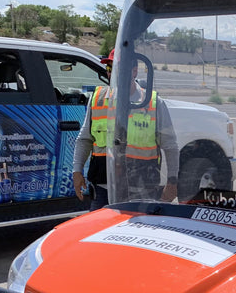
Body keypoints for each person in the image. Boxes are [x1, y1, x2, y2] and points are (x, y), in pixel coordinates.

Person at [73, 51, 180, 209]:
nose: (111, 73)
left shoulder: (154, 103)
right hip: (103, 189)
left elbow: (170, 146)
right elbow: (84, 139)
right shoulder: (98, 100)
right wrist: (77, 171)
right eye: (109, 69)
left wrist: (172, 182)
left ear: (134, 71)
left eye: (117, 69)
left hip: (141, 191)